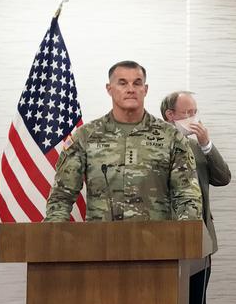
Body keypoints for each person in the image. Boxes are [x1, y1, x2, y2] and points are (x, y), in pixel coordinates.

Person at [45, 61, 202, 222]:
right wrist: (55, 234)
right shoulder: (85, 136)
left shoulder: (171, 137)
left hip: (155, 237)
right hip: (100, 237)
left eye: (137, 83)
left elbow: (187, 196)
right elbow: (61, 197)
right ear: (109, 89)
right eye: (122, 83)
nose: (130, 89)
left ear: (145, 89)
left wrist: (186, 234)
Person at [161, 91, 231, 304]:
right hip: (164, 241)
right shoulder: (156, 143)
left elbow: (223, 177)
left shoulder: (198, 147)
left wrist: (207, 145)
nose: (193, 117)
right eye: (187, 112)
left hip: (199, 241)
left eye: (195, 111)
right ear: (170, 115)